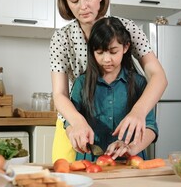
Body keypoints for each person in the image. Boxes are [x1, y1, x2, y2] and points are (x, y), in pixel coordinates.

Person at [49, 0, 167, 162]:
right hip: (74, 120)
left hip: (123, 123)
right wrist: (77, 122)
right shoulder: (61, 38)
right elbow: (59, 94)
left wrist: (138, 113)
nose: (83, 6)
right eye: (74, 0)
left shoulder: (126, 27)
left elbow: (158, 76)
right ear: (66, 3)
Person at [68, 16, 158, 160]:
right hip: (91, 162)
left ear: (126, 47)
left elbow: (151, 128)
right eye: (99, 52)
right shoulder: (81, 83)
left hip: (130, 162)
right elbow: (70, 123)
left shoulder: (139, 83)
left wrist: (131, 148)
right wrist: (74, 134)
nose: (106, 59)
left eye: (113, 51)